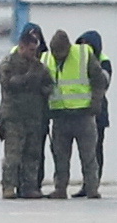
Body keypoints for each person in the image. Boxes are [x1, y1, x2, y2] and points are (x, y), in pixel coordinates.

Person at [46, 28, 108, 198]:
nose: (58, 57)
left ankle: (92, 189)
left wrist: (95, 105)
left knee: (88, 156)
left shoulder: (83, 55)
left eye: (61, 53)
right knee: (60, 157)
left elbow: (99, 81)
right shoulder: (47, 59)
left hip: (83, 115)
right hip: (60, 116)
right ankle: (60, 189)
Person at [0, 30, 52, 198]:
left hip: (33, 117)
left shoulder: (38, 66)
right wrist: (29, 78)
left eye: (34, 50)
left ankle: (29, 187)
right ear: (21, 47)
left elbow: (49, 84)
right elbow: (9, 84)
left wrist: (42, 89)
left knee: (32, 155)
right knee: (13, 155)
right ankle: (9, 187)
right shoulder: (8, 64)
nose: (33, 54)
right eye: (30, 50)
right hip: (14, 117)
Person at [76, 29, 112, 176]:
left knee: (96, 149)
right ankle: (87, 181)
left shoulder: (104, 61)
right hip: (80, 110)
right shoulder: (76, 60)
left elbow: (104, 82)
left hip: (98, 110)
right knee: (84, 151)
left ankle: (93, 182)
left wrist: (93, 66)